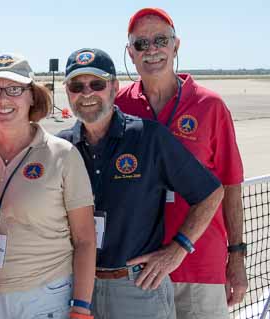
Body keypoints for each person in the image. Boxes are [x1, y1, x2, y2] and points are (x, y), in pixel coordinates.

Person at [56, 48, 224, 319]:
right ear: (68, 92)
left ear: (113, 86)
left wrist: (178, 249)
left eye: (96, 84)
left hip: (136, 288)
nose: (87, 93)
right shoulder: (60, 147)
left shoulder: (149, 138)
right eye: (77, 86)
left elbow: (211, 192)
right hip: (75, 289)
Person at [116, 8, 247, 318]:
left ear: (176, 46)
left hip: (200, 268)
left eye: (161, 40)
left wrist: (237, 259)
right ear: (130, 54)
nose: (152, 51)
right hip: (137, 271)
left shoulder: (210, 106)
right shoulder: (118, 105)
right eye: (141, 44)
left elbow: (231, 186)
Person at [0, 53, 96, 319]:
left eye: (15, 89)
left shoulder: (63, 154)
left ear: (31, 96)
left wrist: (81, 308)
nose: (3, 99)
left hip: (44, 296)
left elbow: (84, 239)